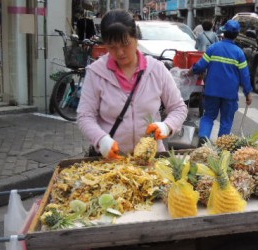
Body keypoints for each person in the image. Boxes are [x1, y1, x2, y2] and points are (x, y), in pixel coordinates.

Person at [77, 9, 187, 160]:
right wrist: (100, 139)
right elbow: (85, 116)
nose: (120, 52)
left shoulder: (156, 69)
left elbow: (178, 108)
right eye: (112, 47)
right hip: (112, 160)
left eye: (125, 44)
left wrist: (167, 126)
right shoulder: (96, 73)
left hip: (152, 159)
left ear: (136, 38)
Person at [188, 20, 253, 145]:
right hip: (230, 94)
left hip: (212, 91)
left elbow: (201, 66)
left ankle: (203, 137)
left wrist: (192, 70)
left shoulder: (213, 48)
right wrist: (248, 92)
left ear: (223, 33)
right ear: (237, 35)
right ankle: (221, 147)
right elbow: (245, 75)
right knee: (226, 121)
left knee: (208, 116)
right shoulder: (239, 53)